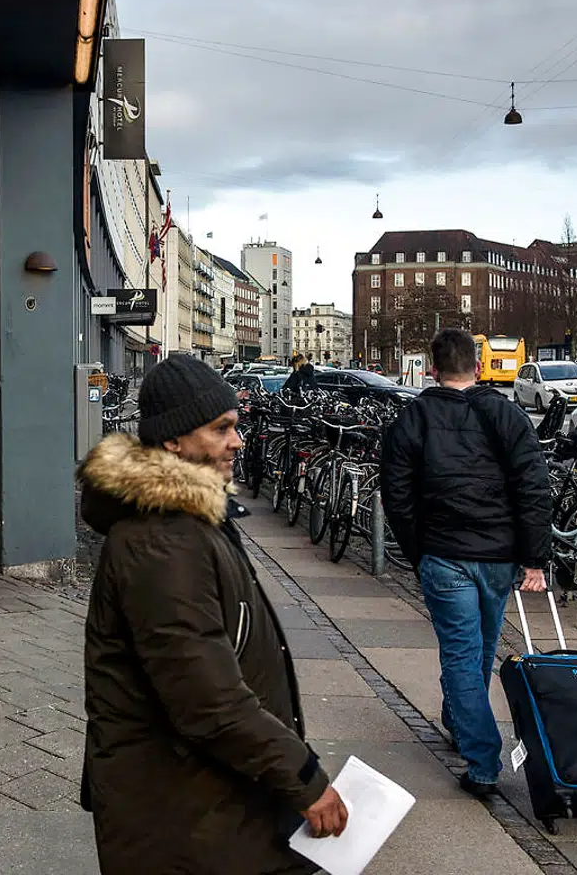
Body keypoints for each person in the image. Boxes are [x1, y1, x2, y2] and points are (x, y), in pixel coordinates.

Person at [78, 355, 347, 874]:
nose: (237, 442)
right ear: (173, 442)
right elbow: (207, 699)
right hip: (181, 812)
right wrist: (303, 778)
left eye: (236, 426)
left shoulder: (189, 521)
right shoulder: (161, 540)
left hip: (210, 798)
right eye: (220, 429)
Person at [380, 329, 552, 797]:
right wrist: (533, 558)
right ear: (477, 368)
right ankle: (463, 726)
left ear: (432, 370)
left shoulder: (413, 418)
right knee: (480, 650)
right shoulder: (507, 414)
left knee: (461, 654)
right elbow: (533, 486)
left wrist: (417, 550)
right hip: (497, 555)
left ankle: (482, 762)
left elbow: (397, 494)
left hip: (444, 553)